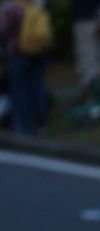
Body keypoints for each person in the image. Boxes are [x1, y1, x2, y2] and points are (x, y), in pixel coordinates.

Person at [0, 0, 50, 136]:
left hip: (18, 54)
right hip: (38, 53)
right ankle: (40, 124)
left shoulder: (11, 9)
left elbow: (3, 31)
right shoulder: (36, 6)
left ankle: (22, 127)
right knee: (37, 87)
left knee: (19, 91)